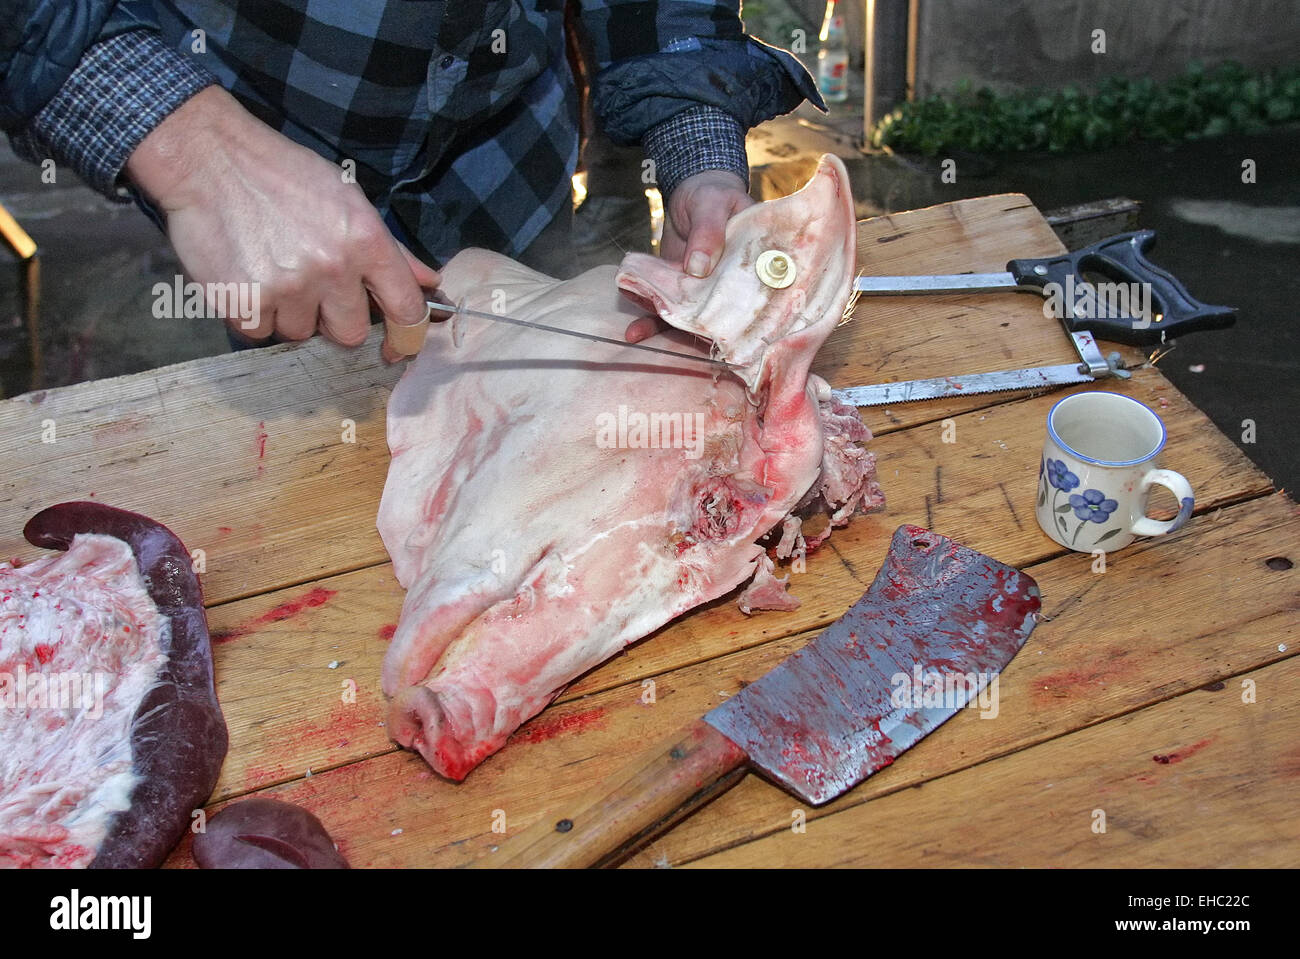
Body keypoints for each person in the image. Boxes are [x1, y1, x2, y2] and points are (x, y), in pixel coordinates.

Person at [2, 1, 823, 360]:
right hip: (264, 141)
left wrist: (692, 132)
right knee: (310, 446)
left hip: (510, 150)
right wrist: (187, 143)